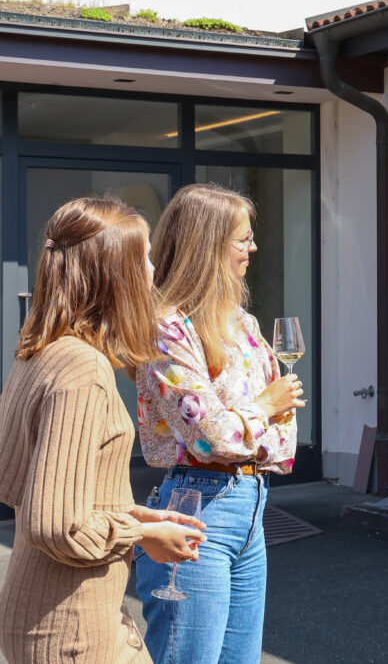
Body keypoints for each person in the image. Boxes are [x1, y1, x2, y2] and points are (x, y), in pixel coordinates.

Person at [0, 197, 205, 663]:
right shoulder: (82, 367)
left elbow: (42, 492)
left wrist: (138, 516)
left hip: (56, 610)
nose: (152, 271)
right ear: (118, 272)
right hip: (69, 622)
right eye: (145, 257)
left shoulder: (42, 350)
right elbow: (56, 525)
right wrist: (143, 534)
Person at [133, 184, 305, 664]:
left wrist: (251, 423)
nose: (254, 247)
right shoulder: (167, 328)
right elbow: (211, 437)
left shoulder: (243, 324)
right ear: (208, 245)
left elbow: (285, 436)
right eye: (243, 239)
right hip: (197, 506)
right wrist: (262, 408)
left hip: (252, 504)